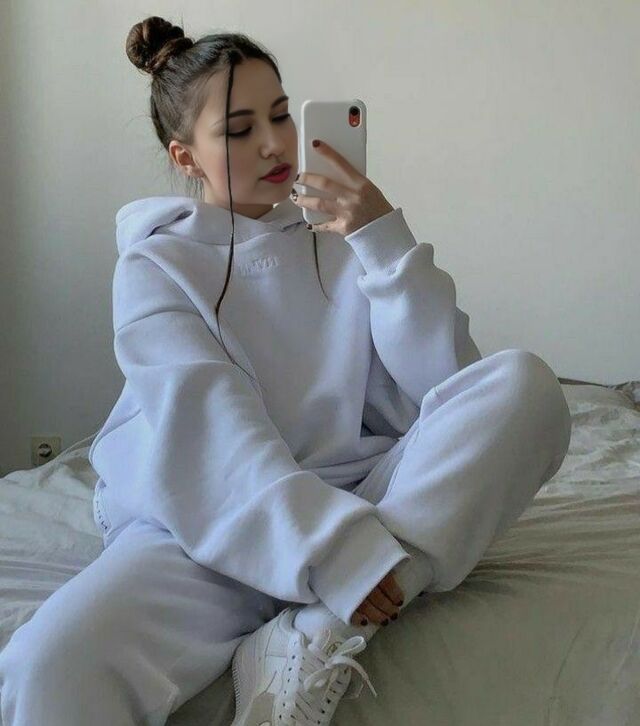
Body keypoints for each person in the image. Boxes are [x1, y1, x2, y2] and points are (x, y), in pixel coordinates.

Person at [0, 16, 572, 726]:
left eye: (280, 114)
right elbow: (210, 428)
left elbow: (449, 386)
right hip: (211, 524)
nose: (275, 143)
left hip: (365, 497)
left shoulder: (341, 231)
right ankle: (348, 591)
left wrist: (381, 239)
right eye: (239, 129)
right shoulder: (155, 265)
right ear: (185, 157)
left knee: (525, 387)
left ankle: (320, 632)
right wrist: (335, 554)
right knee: (47, 666)